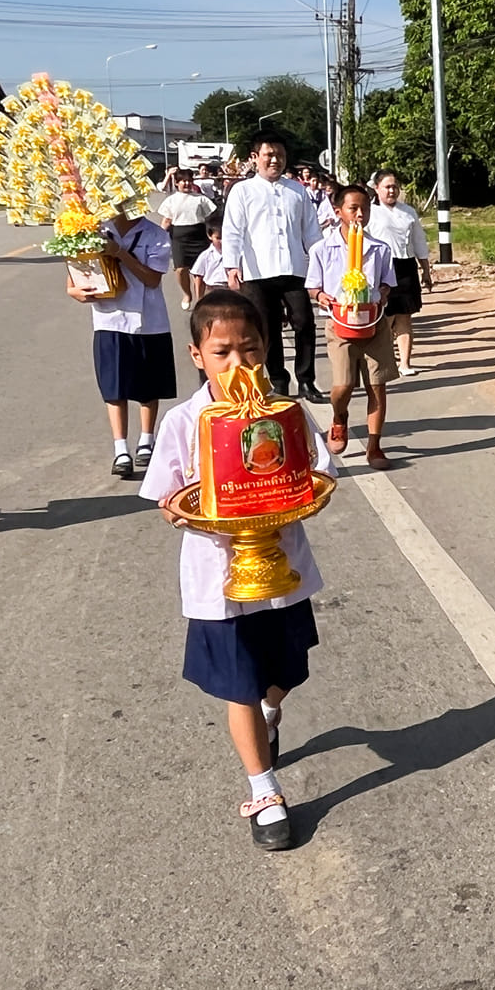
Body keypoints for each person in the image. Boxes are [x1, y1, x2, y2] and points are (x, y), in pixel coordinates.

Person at [141, 290, 333, 852]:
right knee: (239, 685)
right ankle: (264, 787)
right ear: (197, 355)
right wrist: (197, 508)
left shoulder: (286, 413)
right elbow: (166, 497)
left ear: (266, 348)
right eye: (222, 351)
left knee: (282, 674)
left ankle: (273, 712)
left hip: (281, 571)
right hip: (217, 580)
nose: (238, 364)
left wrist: (297, 496)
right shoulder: (184, 421)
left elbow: (321, 473)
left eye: (249, 349)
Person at [68, 201, 176, 480]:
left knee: (148, 387)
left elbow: (152, 280)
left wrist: (120, 254)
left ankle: (146, 440)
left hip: (149, 320)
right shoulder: (94, 229)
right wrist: (74, 291)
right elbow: (75, 272)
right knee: (114, 387)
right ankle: (120, 450)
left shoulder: (156, 235)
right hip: (109, 319)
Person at [221, 132, 325, 402]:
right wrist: (232, 266)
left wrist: (324, 263)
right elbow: (232, 230)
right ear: (255, 158)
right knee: (267, 329)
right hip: (257, 272)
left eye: (280, 155)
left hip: (293, 269)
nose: (275, 160)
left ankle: (307, 380)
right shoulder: (242, 191)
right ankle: (278, 380)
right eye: (269, 155)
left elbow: (312, 233)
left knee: (304, 322)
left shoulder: (297, 191)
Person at [306, 184, 396, 469]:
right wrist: (322, 297)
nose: (360, 214)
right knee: (343, 385)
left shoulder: (379, 249)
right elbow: (312, 287)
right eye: (353, 208)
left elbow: (387, 283)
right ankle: (339, 417)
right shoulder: (323, 248)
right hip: (340, 323)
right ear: (338, 212)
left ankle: (375, 445)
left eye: (365, 209)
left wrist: (381, 293)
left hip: (374, 323)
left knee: (376, 386)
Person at [367, 169, 430, 376]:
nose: (391, 191)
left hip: (406, 267)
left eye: (395, 186)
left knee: (404, 317)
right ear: (377, 189)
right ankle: (384, 362)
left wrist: (426, 270)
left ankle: (405, 363)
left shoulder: (409, 212)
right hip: (382, 268)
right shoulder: (370, 212)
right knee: (385, 318)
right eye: (387, 187)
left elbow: (419, 241)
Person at [156, 168, 217, 311]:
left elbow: (211, 218)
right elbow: (166, 221)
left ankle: (200, 299)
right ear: (177, 183)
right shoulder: (171, 200)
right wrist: (157, 238)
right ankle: (187, 294)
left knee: (199, 271)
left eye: (190, 181)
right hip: (179, 238)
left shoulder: (201, 199)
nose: (187, 183)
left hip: (199, 237)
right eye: (183, 181)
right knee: (181, 269)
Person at [191, 218, 226, 299]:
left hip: (231, 289)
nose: (222, 241)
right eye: (218, 238)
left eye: (225, 237)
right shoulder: (205, 256)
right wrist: (199, 299)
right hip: (212, 290)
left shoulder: (237, 254)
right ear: (210, 236)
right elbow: (198, 278)